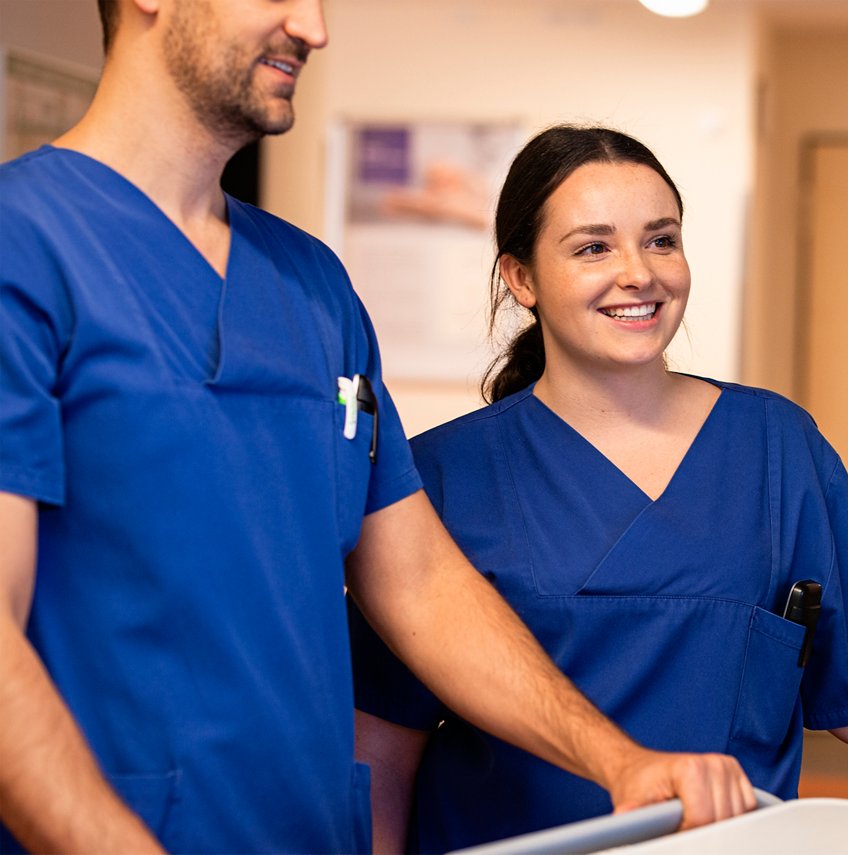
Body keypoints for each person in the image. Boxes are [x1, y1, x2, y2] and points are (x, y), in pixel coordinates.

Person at [0, 4, 754, 853]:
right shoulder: (24, 247)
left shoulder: (311, 286)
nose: (313, 27)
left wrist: (618, 760)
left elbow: (421, 582)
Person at [349, 124, 848, 853]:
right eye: (592, 247)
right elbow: (384, 746)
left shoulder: (778, 446)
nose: (639, 273)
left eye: (661, 240)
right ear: (521, 278)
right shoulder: (442, 476)